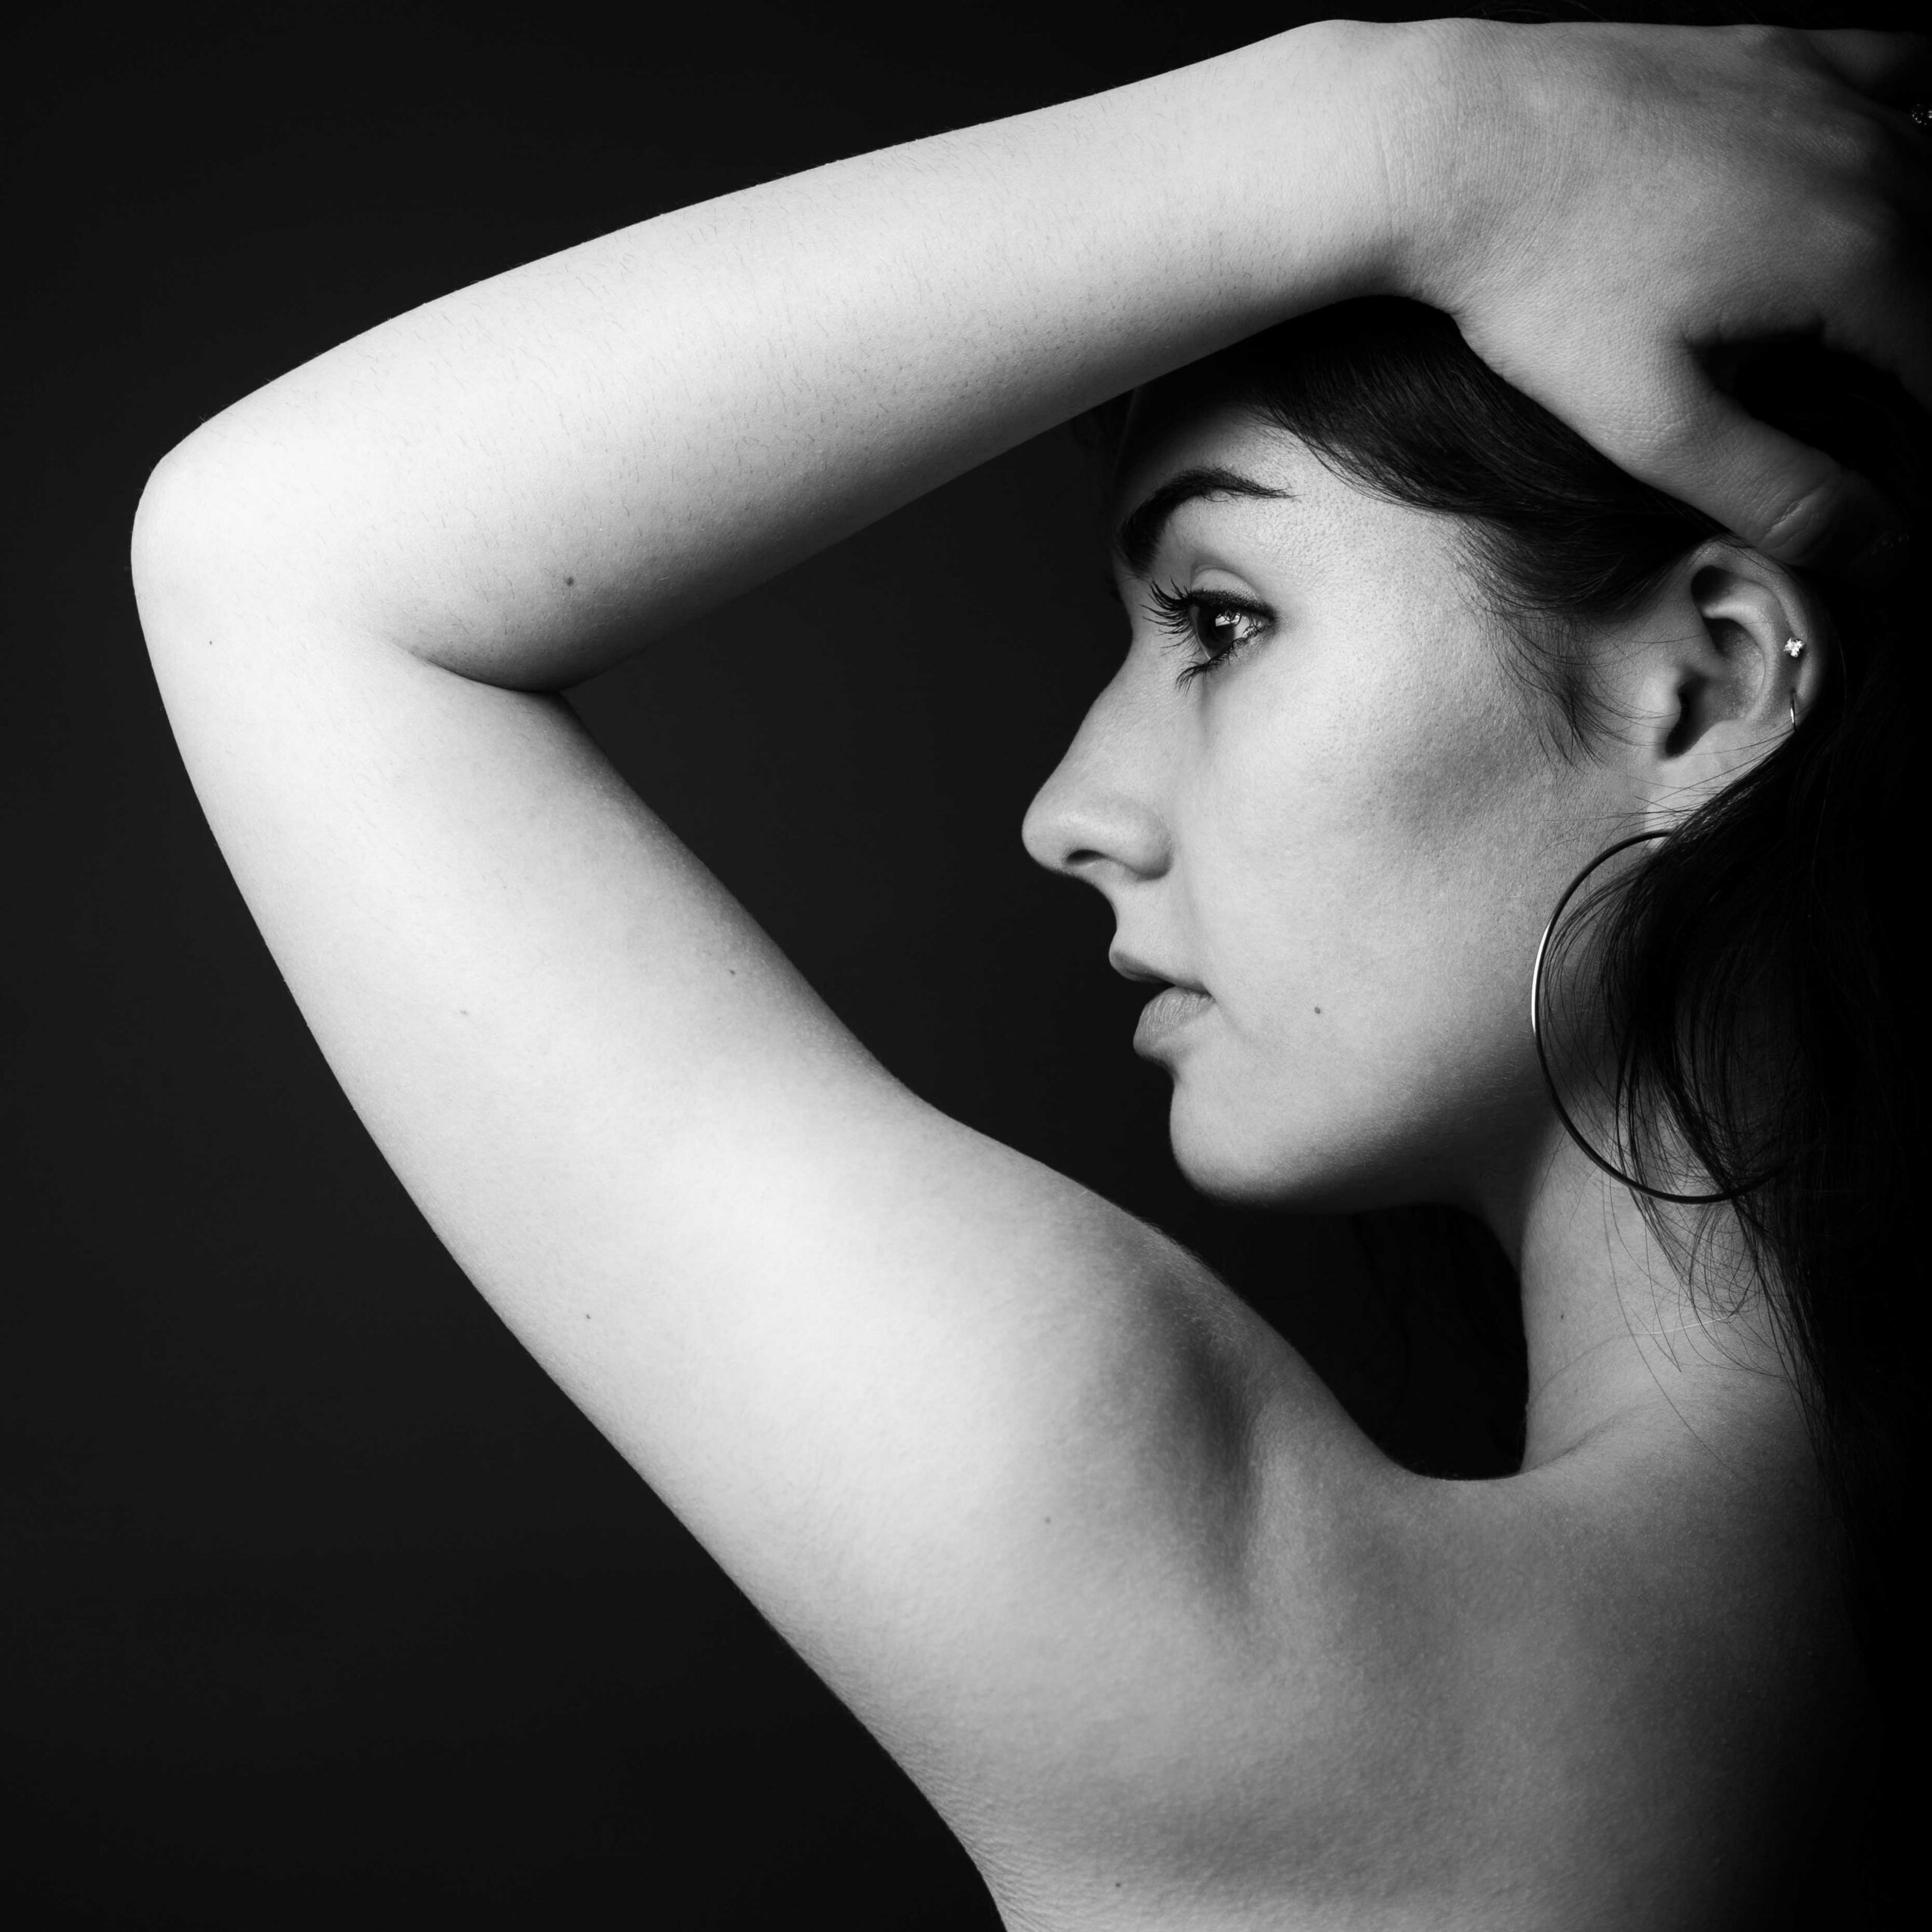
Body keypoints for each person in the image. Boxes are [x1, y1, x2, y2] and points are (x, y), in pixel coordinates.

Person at [129, 15, 1926, 1924]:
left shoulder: (1366, 1712)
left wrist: (1418, 125)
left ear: (1700, 683)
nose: (1070, 808)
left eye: (1218, 621)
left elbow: (280, 559)